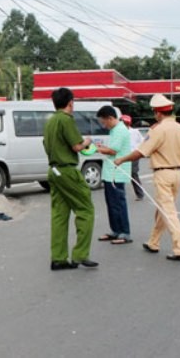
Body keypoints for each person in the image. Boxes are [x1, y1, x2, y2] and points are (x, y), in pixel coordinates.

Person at [114, 93, 180, 261]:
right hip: (177, 174)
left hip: (163, 174)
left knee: (169, 212)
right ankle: (153, 242)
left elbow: (141, 152)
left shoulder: (158, 130)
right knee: (163, 210)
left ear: (158, 113)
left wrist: (122, 159)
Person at [42, 87, 97, 270]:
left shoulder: (50, 121)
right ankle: (80, 254)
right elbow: (77, 146)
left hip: (54, 170)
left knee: (59, 214)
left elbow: (46, 144)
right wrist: (87, 142)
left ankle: (58, 258)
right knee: (86, 209)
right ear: (70, 102)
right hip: (67, 170)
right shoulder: (66, 120)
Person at [96, 106, 132, 245]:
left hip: (117, 173)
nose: (103, 125)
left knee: (118, 203)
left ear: (110, 118)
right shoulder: (114, 130)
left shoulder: (120, 130)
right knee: (111, 203)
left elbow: (112, 151)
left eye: (104, 122)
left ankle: (125, 232)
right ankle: (116, 230)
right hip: (111, 173)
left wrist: (95, 148)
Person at [121, 115, 145, 201]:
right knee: (121, 175)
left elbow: (142, 141)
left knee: (133, 174)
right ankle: (121, 194)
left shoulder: (135, 132)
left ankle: (140, 193)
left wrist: (139, 151)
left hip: (133, 155)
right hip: (123, 156)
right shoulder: (120, 133)